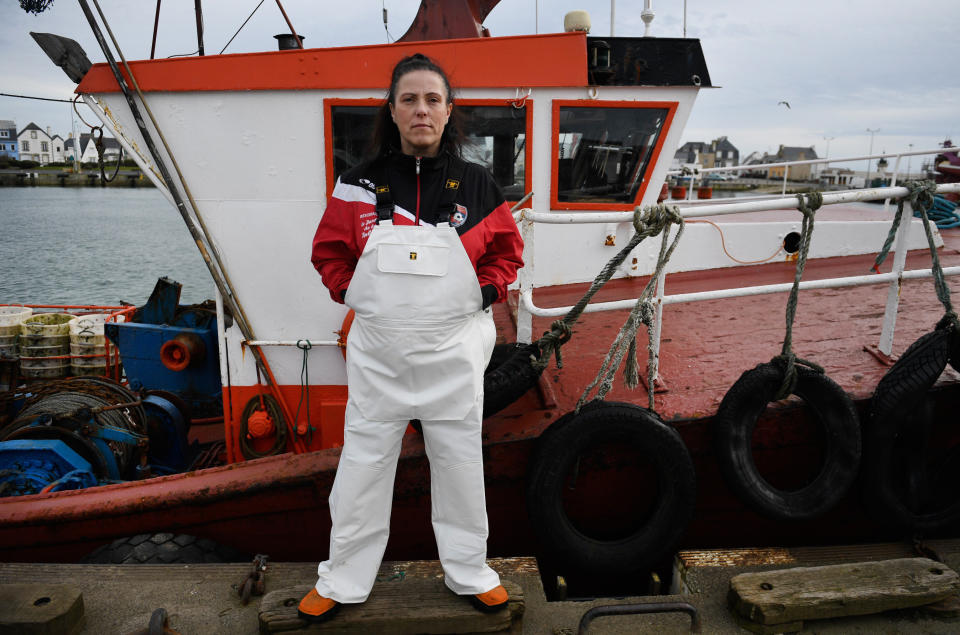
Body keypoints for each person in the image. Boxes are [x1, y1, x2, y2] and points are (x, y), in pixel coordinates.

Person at [302, 53, 524, 623]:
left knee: (460, 467)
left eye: (432, 99)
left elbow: (506, 254)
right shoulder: (357, 185)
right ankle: (342, 580)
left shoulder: (478, 185)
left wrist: (483, 293)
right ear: (393, 110)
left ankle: (471, 572)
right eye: (409, 99)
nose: (421, 109)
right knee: (361, 469)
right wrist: (353, 294)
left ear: (449, 111)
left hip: (454, 355)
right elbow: (328, 252)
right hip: (379, 358)